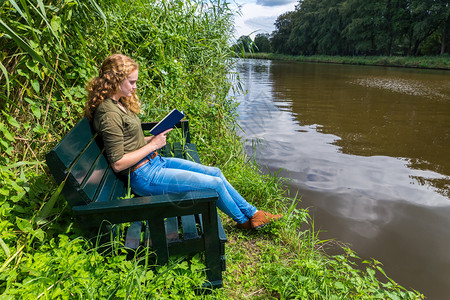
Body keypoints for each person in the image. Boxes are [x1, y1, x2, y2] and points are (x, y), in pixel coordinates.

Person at [84, 54, 282, 230]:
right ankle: (244, 221)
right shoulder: (108, 113)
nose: (135, 87)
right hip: (144, 175)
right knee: (214, 184)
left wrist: (151, 139)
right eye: (132, 82)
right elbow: (118, 163)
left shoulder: (118, 104)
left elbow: (129, 141)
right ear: (116, 80)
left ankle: (254, 213)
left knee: (216, 173)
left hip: (154, 163)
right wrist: (152, 145)